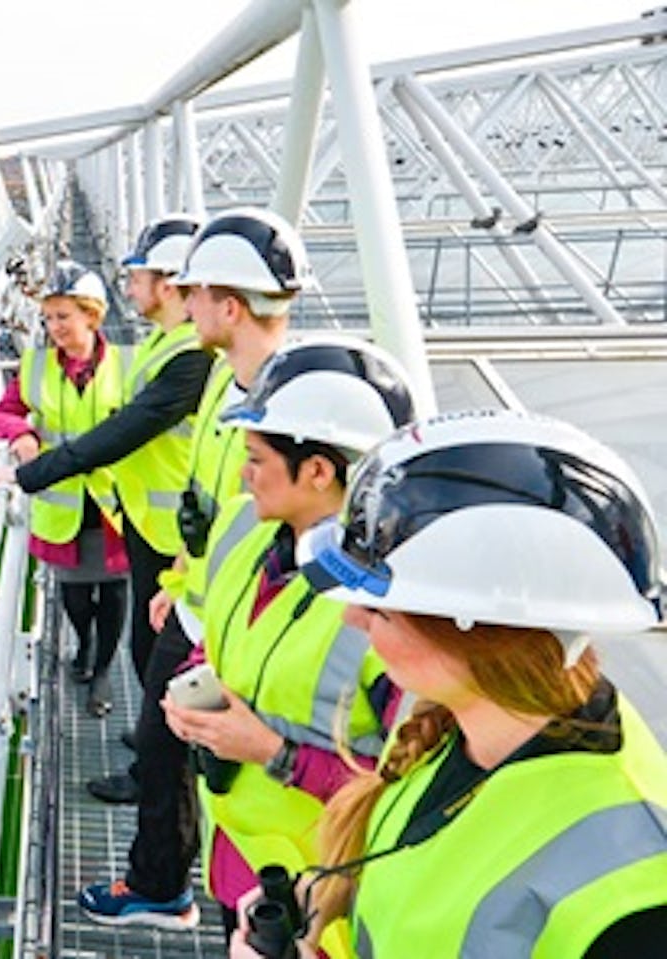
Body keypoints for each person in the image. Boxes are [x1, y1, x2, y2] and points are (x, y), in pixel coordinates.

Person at [231, 409, 667, 959]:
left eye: (380, 608)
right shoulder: (450, 726)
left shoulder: (640, 897)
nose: (353, 619)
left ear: (476, 631)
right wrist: (323, 893)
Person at [78, 209, 313, 931]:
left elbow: (276, 533)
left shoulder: (291, 405)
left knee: (186, 753)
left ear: (229, 304)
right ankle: (180, 891)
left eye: (195, 289)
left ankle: (176, 893)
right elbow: (211, 502)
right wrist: (182, 578)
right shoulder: (224, 380)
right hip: (207, 609)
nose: (186, 299)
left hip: (239, 628)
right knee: (176, 748)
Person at [159, 339, 419, 954]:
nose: (243, 473)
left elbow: (407, 796)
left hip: (323, 900)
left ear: (319, 471)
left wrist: (272, 752)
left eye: (255, 457)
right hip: (236, 855)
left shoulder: (399, 613)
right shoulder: (242, 527)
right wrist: (195, 689)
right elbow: (215, 636)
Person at [0, 260, 127, 716]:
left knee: (115, 594)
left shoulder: (128, 364)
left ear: (92, 314)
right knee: (75, 596)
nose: (53, 327)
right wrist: (21, 434)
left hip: (115, 505)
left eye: (63, 316)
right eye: (47, 318)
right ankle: (83, 645)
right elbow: (0, 413)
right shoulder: (36, 366)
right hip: (61, 507)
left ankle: (101, 670)